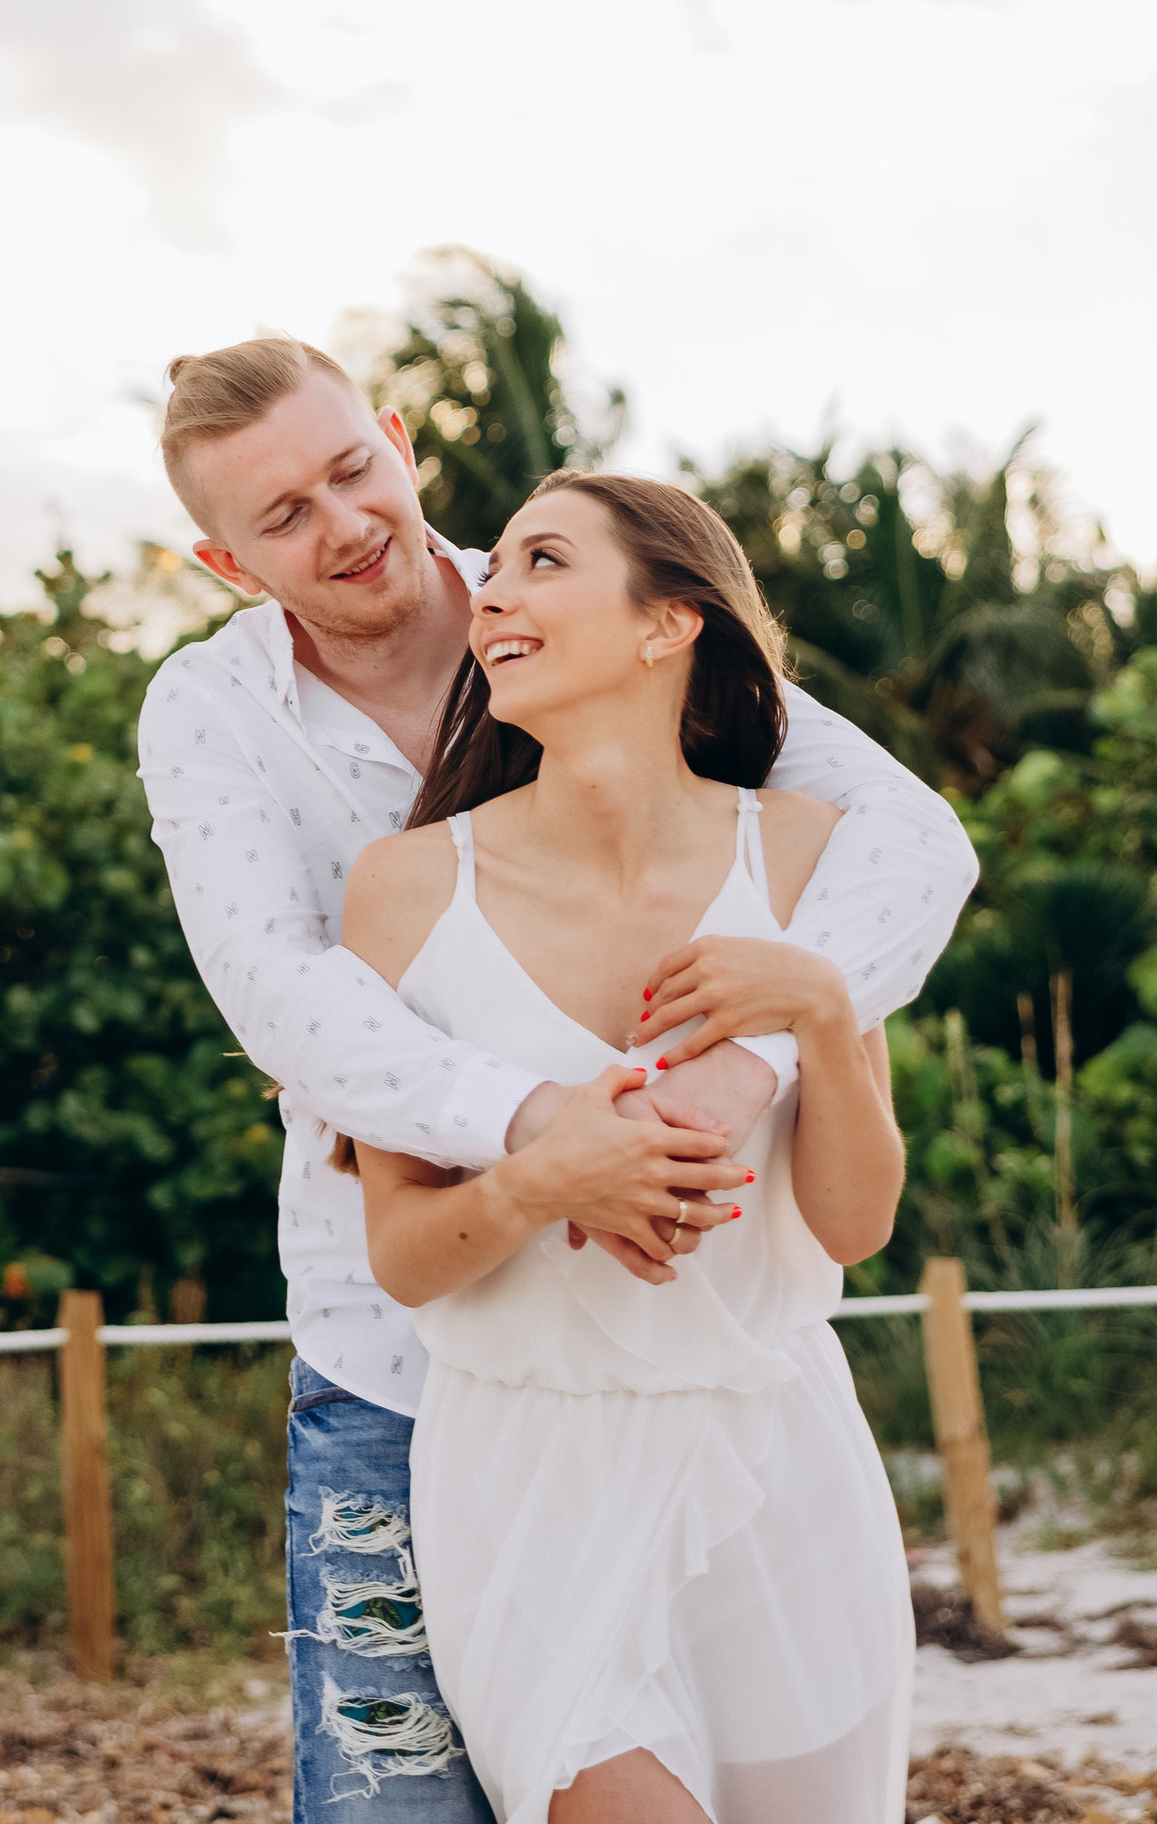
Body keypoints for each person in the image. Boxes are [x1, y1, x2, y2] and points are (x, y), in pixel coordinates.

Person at [136, 338, 972, 1824]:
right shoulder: (214, 717)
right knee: (397, 1806)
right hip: (408, 1363)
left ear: (396, 438)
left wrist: (751, 1064)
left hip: (723, 1382)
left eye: (350, 470)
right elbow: (282, 994)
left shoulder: (578, 591)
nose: (340, 523)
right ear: (222, 559)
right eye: (280, 517)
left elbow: (912, 846)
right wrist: (544, 1142)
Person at [344, 470, 913, 1823]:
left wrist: (824, 1014)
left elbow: (853, 1223)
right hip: (530, 1480)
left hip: (778, 1460)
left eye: (543, 559)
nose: (494, 593)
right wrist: (548, 1177)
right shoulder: (405, 888)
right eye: (496, 571)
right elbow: (407, 1256)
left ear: (672, 624)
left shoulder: (808, 855)